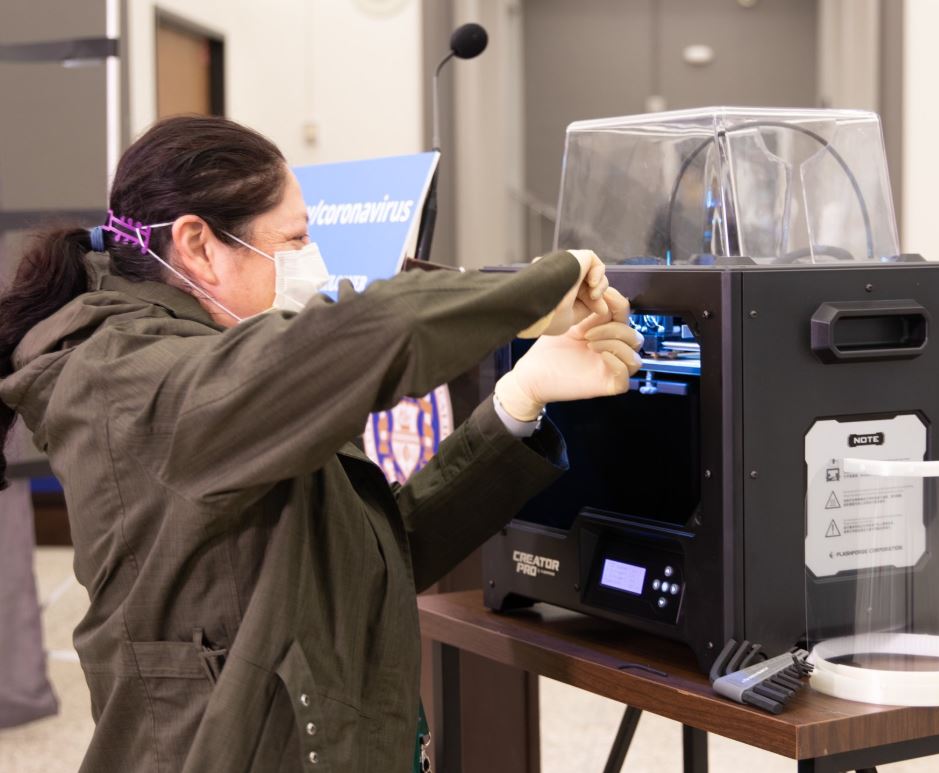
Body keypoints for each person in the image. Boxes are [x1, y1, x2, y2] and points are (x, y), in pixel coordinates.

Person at [0, 115, 643, 771]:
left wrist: (516, 402)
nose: (315, 262)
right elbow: (372, 331)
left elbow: (371, 556)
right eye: (297, 238)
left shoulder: (227, 376)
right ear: (197, 244)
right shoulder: (140, 382)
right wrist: (535, 290)